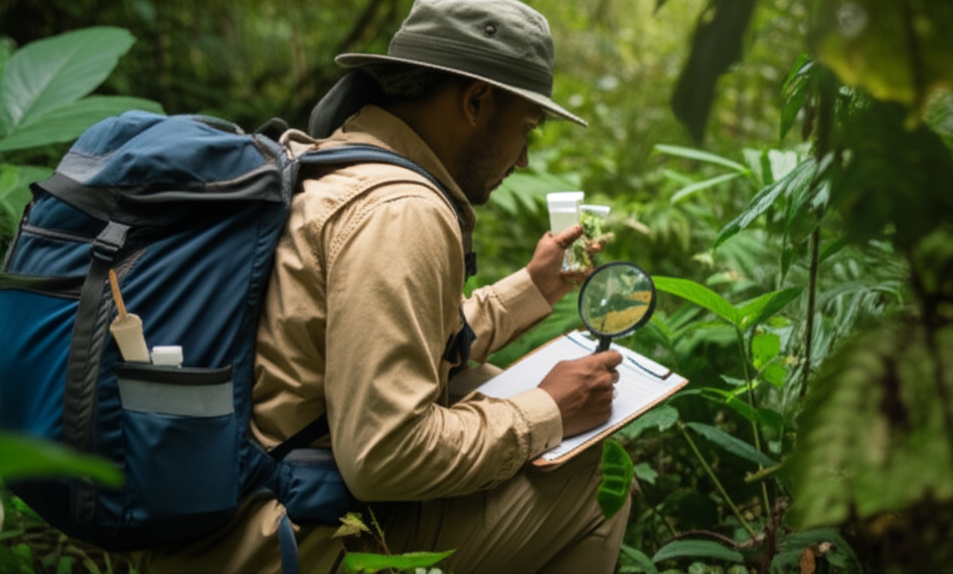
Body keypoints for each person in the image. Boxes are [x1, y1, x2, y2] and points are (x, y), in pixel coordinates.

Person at [134, 0, 628, 572]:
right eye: (526, 128)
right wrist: (547, 413)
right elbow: (384, 456)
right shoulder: (403, 210)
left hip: (221, 509)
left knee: (480, 381)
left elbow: (402, 341)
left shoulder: (328, 162)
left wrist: (533, 287)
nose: (521, 158)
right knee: (592, 476)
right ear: (475, 101)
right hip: (277, 543)